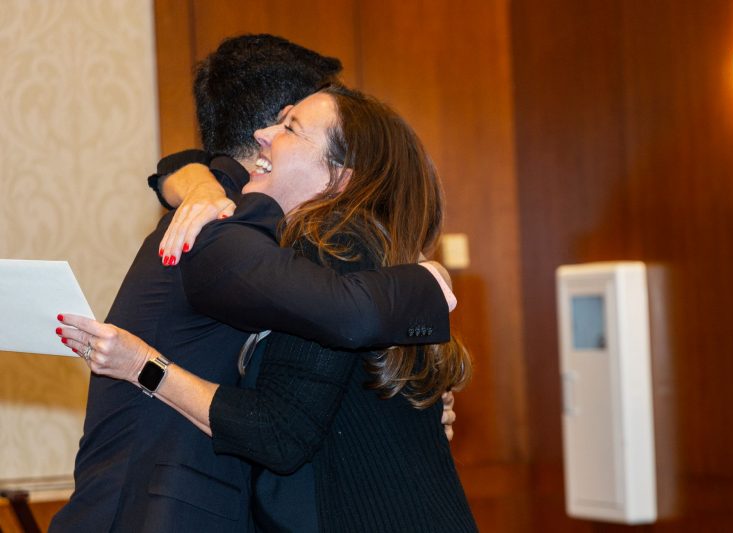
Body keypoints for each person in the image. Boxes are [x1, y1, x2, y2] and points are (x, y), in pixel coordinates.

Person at [50, 35, 454, 533]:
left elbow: (305, 409)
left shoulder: (317, 240)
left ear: (339, 173)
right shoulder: (220, 224)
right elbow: (347, 323)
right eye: (285, 119)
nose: (269, 133)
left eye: (289, 126)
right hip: (154, 511)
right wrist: (425, 284)